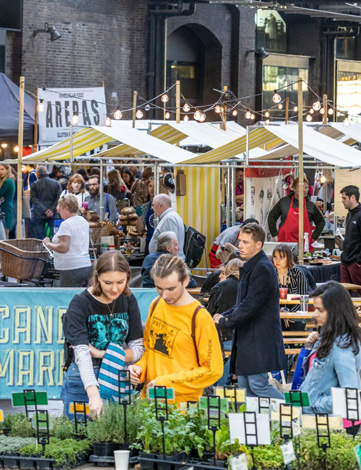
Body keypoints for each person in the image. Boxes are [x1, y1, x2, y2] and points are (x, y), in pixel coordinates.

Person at [128, 254, 223, 403]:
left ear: (185, 281)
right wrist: (139, 368)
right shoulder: (156, 304)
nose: (165, 295)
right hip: (151, 404)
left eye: (171, 288)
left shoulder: (200, 317)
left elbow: (213, 370)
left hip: (182, 411)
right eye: (159, 288)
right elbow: (150, 350)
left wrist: (166, 382)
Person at [62, 251, 144, 417]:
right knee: (77, 436)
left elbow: (138, 348)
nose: (115, 289)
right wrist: (93, 394)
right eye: (108, 282)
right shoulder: (80, 303)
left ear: (128, 276)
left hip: (117, 373)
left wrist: (103, 354)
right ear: (97, 277)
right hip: (82, 376)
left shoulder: (128, 300)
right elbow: (82, 353)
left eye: (120, 282)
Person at [214, 223, 287, 398]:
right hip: (250, 336)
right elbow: (243, 303)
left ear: (258, 245)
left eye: (245, 242)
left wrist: (225, 321)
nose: (240, 245)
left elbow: (249, 305)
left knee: (257, 385)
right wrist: (225, 316)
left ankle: (292, 414)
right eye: (240, 241)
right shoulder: (254, 266)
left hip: (258, 338)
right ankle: (257, 423)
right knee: (247, 386)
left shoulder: (262, 267)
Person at [300, 281, 361, 414]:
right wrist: (311, 347)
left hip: (322, 422)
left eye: (320, 310)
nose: (314, 314)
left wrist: (315, 405)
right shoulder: (329, 336)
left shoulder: (341, 347)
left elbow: (350, 393)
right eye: (314, 308)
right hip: (312, 417)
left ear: (335, 311)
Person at [43, 194, 92, 287]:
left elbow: (63, 248)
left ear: (66, 208)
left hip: (71, 268)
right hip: (85, 265)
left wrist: (48, 244)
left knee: (67, 298)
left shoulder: (66, 224)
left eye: (60, 208)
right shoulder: (83, 221)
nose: (58, 211)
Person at [268, 177, 325, 250]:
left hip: (305, 246)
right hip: (285, 245)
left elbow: (321, 221)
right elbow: (271, 216)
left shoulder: (311, 205)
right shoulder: (284, 202)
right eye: (301, 187)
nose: (304, 190)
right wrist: (275, 235)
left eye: (306, 188)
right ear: (294, 188)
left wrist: (313, 237)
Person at [272, 243, 309, 315]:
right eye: (275, 257)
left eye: (281, 257)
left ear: (288, 258)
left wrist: (289, 313)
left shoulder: (297, 273)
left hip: (297, 313)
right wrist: (281, 311)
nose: (277, 260)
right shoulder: (270, 274)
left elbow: (303, 298)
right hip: (276, 314)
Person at [149, 194, 185, 259]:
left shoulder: (169, 219)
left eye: (153, 205)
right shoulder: (170, 216)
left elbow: (171, 245)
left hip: (169, 264)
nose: (152, 208)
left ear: (160, 205)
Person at [30, 165, 62, 239]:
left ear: (38, 173)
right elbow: (58, 199)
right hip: (53, 213)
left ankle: (42, 249)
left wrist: (44, 210)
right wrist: (52, 210)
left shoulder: (34, 184)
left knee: (40, 238)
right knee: (54, 237)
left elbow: (34, 199)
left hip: (39, 213)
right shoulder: (56, 184)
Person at [340, 185, 361, 295]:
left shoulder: (359, 215)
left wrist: (358, 260)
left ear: (352, 197)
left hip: (355, 262)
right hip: (345, 260)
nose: (342, 201)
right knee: (344, 295)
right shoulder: (349, 214)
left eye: (344, 198)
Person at [136, 178, 155, 255]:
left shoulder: (165, 205)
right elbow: (140, 231)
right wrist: (139, 216)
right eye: (150, 186)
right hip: (149, 243)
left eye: (154, 186)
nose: (152, 189)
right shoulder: (146, 206)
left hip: (162, 245)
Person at [0, 164, 16, 239]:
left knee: (4, 233)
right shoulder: (10, 180)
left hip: (5, 208)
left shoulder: (7, 182)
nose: (0, 172)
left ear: (7, 170)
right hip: (8, 208)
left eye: (2, 169)